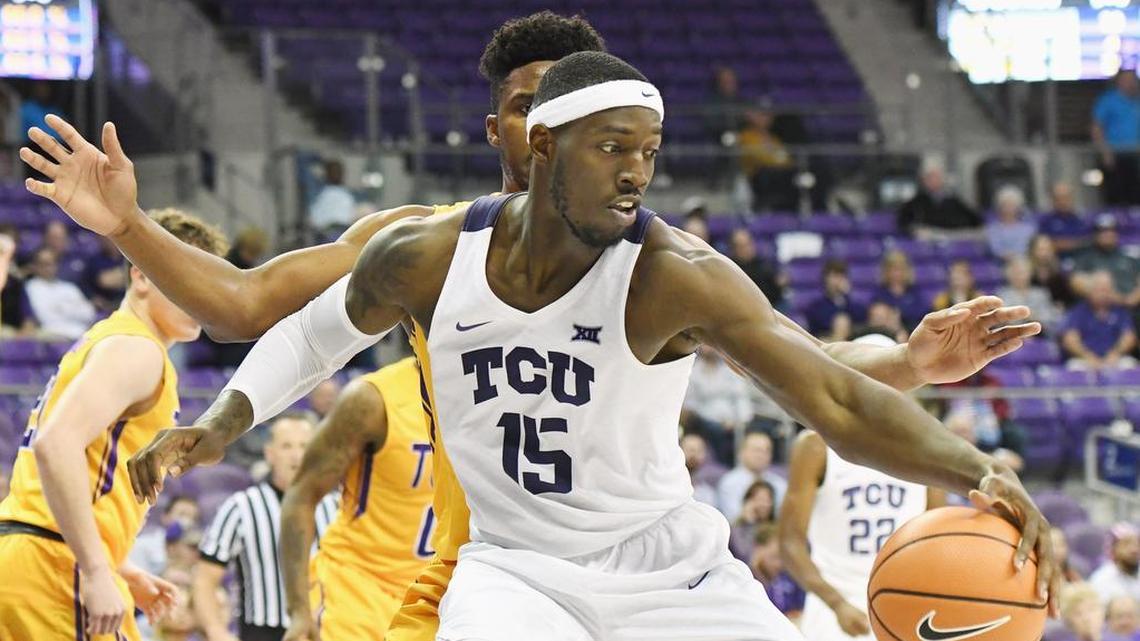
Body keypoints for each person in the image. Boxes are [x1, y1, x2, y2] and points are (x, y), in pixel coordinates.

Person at [25, 30, 1053, 641]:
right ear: (527, 135)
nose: (639, 171)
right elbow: (282, 323)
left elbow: (817, 383)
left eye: (646, 150)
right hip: (509, 565)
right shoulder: (423, 251)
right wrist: (213, 408)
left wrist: (967, 447)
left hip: (668, 569)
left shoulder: (670, 270)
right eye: (611, 145)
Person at [0, 209, 227, 641]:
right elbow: (55, 447)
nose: (202, 294)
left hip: (35, 556)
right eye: (186, 276)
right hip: (53, 566)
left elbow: (75, 471)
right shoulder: (136, 351)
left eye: (210, 281)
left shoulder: (112, 341)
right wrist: (95, 568)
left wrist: (119, 566)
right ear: (141, 275)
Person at [278, 357, 435, 641]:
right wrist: (299, 609)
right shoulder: (373, 398)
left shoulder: (491, 400)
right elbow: (302, 494)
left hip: (435, 599)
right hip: (358, 589)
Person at [781, 409, 945, 641]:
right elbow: (790, 543)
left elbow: (939, 543)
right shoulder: (817, 446)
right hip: (833, 608)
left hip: (902, 605)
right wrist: (836, 603)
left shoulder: (926, 448)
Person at [193, 414, 336, 641]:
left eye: (304, 445)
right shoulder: (241, 507)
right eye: (286, 446)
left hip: (326, 629)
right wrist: (216, 631)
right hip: (262, 632)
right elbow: (204, 578)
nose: (296, 455)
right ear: (270, 453)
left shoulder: (336, 507)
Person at [682, 346, 756, 466]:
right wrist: (718, 420)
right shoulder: (693, 371)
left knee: (755, 429)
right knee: (714, 430)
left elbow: (740, 396)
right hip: (705, 417)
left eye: (713, 346)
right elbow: (691, 404)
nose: (710, 349)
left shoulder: (730, 369)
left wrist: (741, 420)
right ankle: (720, 464)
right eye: (707, 345)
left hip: (732, 418)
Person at [1060, 271, 1138, 370]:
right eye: (1099, 290)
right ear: (1090, 291)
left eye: (1106, 290)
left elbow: (1129, 337)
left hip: (1114, 358)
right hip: (1085, 359)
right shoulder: (1079, 311)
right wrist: (1088, 356)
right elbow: (1070, 339)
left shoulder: (1120, 311)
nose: (1103, 294)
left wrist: (1115, 353)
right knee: (1073, 368)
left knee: (1130, 365)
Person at [23, 246, 96, 339]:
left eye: (51, 263)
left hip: (80, 334)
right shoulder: (31, 287)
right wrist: (72, 308)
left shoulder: (69, 288)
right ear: (35, 266)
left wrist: (61, 308)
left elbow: (89, 314)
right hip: (52, 336)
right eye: (43, 264)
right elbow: (45, 318)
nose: (47, 268)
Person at [1092, 69, 1140, 206]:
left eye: (1133, 80)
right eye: (1127, 80)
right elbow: (1096, 128)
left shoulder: (1136, 101)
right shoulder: (1108, 100)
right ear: (1119, 81)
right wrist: (1105, 152)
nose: (1131, 83)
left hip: (1134, 155)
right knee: (1115, 194)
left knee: (1135, 194)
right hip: (1114, 155)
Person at [896, 160, 981, 237]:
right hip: (928, 240)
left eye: (936, 177)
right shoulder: (916, 203)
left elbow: (975, 219)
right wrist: (915, 230)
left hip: (953, 237)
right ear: (924, 180)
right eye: (930, 177)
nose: (934, 180)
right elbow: (904, 222)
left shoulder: (953, 200)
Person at [717, 432, 787, 522]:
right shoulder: (729, 483)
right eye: (757, 450)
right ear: (742, 453)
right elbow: (732, 519)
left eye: (766, 451)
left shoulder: (780, 484)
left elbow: (784, 519)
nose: (761, 455)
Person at [1071, 215, 1140, 306]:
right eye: (1102, 231)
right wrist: (1111, 297)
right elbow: (1076, 283)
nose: (1107, 234)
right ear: (1095, 235)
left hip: (1132, 307)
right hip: (1101, 309)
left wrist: (1133, 299)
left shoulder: (1129, 256)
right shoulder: (1085, 258)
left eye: (1111, 230)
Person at [128, 494, 200, 576]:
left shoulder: (195, 553)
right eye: (182, 514)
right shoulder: (142, 546)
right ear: (165, 517)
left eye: (193, 517)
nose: (187, 521)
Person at [750, 523, 806, 621]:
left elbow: (801, 610)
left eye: (784, 558)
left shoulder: (790, 578)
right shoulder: (745, 580)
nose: (779, 564)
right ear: (758, 549)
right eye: (774, 557)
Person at [999, 256, 1061, 335]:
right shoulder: (1003, 294)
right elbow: (1003, 320)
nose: (1020, 276)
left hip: (1039, 335)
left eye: (1023, 272)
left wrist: (1035, 317)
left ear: (1030, 273)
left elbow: (1050, 317)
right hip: (1012, 335)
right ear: (1008, 275)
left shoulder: (1041, 293)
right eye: (1016, 273)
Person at [805, 259, 866, 338]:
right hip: (825, 341)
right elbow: (822, 323)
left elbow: (860, 319)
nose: (838, 281)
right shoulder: (816, 306)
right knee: (841, 321)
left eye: (842, 277)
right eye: (835, 276)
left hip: (849, 340)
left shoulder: (851, 304)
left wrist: (847, 296)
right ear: (825, 279)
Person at [872, 250, 929, 329]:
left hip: (911, 330)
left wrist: (900, 314)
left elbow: (923, 311)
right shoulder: (880, 292)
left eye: (900, 269)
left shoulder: (914, 291)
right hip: (886, 331)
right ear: (886, 272)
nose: (896, 274)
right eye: (893, 269)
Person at [728, 227, 783, 308]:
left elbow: (775, 293)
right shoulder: (730, 268)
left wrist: (779, 284)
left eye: (748, 244)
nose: (746, 249)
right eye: (741, 246)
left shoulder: (764, 265)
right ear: (734, 249)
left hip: (769, 308)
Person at [727, 479, 776, 564]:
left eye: (768, 500)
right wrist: (749, 523)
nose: (764, 504)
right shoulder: (736, 530)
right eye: (760, 499)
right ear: (748, 502)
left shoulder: (776, 530)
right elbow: (744, 556)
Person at [1038, 181, 1091, 257]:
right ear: (1052, 200)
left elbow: (1089, 241)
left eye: (1066, 197)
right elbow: (1043, 243)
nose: (1062, 202)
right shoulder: (1045, 221)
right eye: (1058, 198)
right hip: (1056, 261)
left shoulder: (1083, 218)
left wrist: (1068, 244)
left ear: (1072, 198)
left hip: (1081, 259)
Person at [1090, 524, 1140, 604]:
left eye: (1137, 544)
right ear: (1113, 549)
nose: (1134, 549)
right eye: (1126, 544)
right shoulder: (1101, 580)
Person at [986, 185, 1037, 260]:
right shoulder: (992, 229)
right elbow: (995, 250)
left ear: (1019, 207)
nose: (1008, 208)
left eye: (1012, 205)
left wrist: (1018, 257)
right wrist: (1009, 256)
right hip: (1001, 264)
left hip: (1025, 263)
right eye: (1005, 205)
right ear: (999, 207)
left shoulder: (1029, 228)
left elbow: (1030, 248)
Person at [308, 159, 356, 237]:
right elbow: (314, 220)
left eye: (338, 172)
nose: (336, 175)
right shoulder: (319, 195)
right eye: (333, 172)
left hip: (343, 232)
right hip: (325, 234)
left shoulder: (347, 195)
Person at [83, 235, 128, 313]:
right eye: (105, 239)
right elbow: (104, 281)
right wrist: (92, 297)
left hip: (128, 301)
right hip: (106, 305)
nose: (109, 242)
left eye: (111, 238)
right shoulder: (95, 260)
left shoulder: (127, 258)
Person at [1031, 234, 1078, 308]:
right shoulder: (1027, 274)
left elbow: (1068, 299)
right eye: (1040, 249)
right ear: (1033, 251)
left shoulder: (1061, 274)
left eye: (1047, 249)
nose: (1044, 254)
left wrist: (1063, 305)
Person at [680, 433, 724, 508]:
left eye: (699, 450)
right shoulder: (671, 478)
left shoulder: (715, 477)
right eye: (689, 449)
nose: (693, 454)